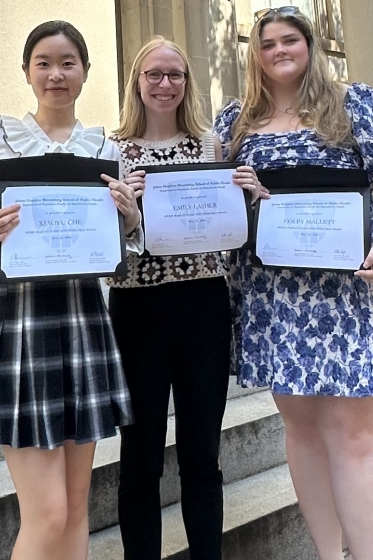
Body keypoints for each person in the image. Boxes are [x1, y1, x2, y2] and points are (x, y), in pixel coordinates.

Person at [213, 7, 373, 560]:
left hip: (347, 289)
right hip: (274, 295)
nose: (278, 50)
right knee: (301, 430)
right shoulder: (236, 122)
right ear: (255, 54)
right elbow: (216, 204)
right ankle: (327, 553)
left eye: (289, 39)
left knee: (353, 433)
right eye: (266, 43)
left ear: (310, 45)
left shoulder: (352, 103)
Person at [0, 20, 142, 560]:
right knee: (47, 513)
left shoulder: (103, 148)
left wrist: (128, 217)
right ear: (27, 72)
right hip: (19, 321)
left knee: (74, 508)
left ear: (85, 72)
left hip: (82, 318)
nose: (56, 74)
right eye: (44, 63)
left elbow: (118, 244)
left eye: (68, 63)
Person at [107, 36, 260, 560]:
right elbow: (104, 243)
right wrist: (129, 217)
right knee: (141, 457)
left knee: (201, 455)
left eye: (175, 74)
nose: (165, 84)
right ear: (137, 82)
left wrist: (248, 197)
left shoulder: (212, 146)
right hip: (137, 309)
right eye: (153, 74)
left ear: (187, 82)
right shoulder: (112, 151)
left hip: (202, 308)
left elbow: (231, 232)